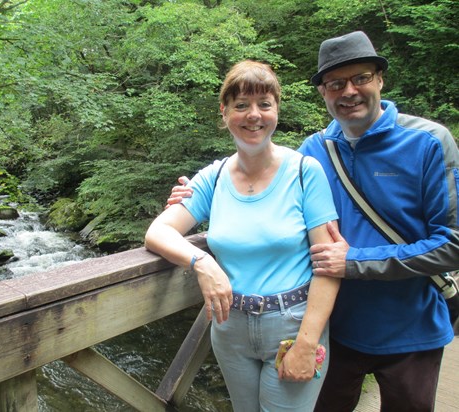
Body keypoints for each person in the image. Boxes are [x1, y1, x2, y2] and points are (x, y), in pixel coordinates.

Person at [168, 32, 459, 412]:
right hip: (333, 329)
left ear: (380, 79)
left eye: (361, 78)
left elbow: (453, 243)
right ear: (323, 92)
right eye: (336, 83)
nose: (349, 91)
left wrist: (354, 262)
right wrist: (193, 193)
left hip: (410, 328)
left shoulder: (429, 142)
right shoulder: (315, 152)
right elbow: (261, 181)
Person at [145, 60, 341, 412]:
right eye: (241, 105)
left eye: (264, 104)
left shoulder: (304, 172)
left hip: (293, 325)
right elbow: (158, 231)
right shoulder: (213, 177)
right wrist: (201, 262)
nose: (254, 115)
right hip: (229, 326)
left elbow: (328, 265)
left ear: (276, 110)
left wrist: (307, 344)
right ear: (224, 113)